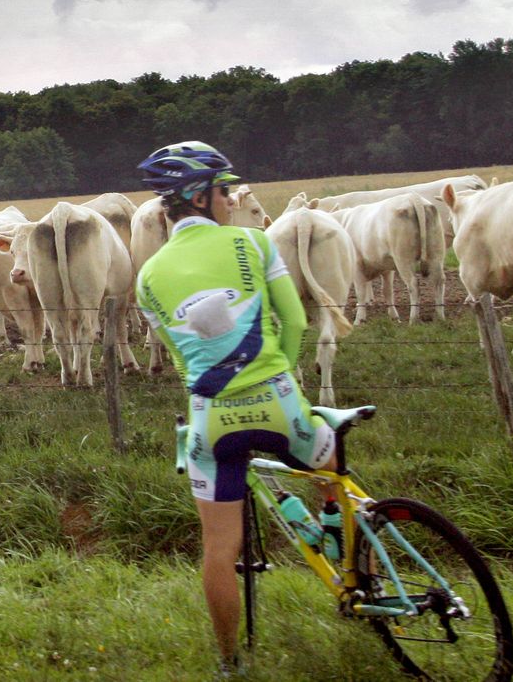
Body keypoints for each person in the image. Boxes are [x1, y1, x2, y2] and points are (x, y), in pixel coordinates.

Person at [134, 142, 336, 675]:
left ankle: (229, 663)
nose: (230, 199)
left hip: (210, 423)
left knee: (218, 550)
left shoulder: (147, 276)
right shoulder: (254, 242)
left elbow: (181, 359)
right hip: (278, 403)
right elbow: (294, 323)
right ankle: (347, 552)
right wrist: (282, 377)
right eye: (224, 190)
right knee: (332, 460)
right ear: (199, 196)